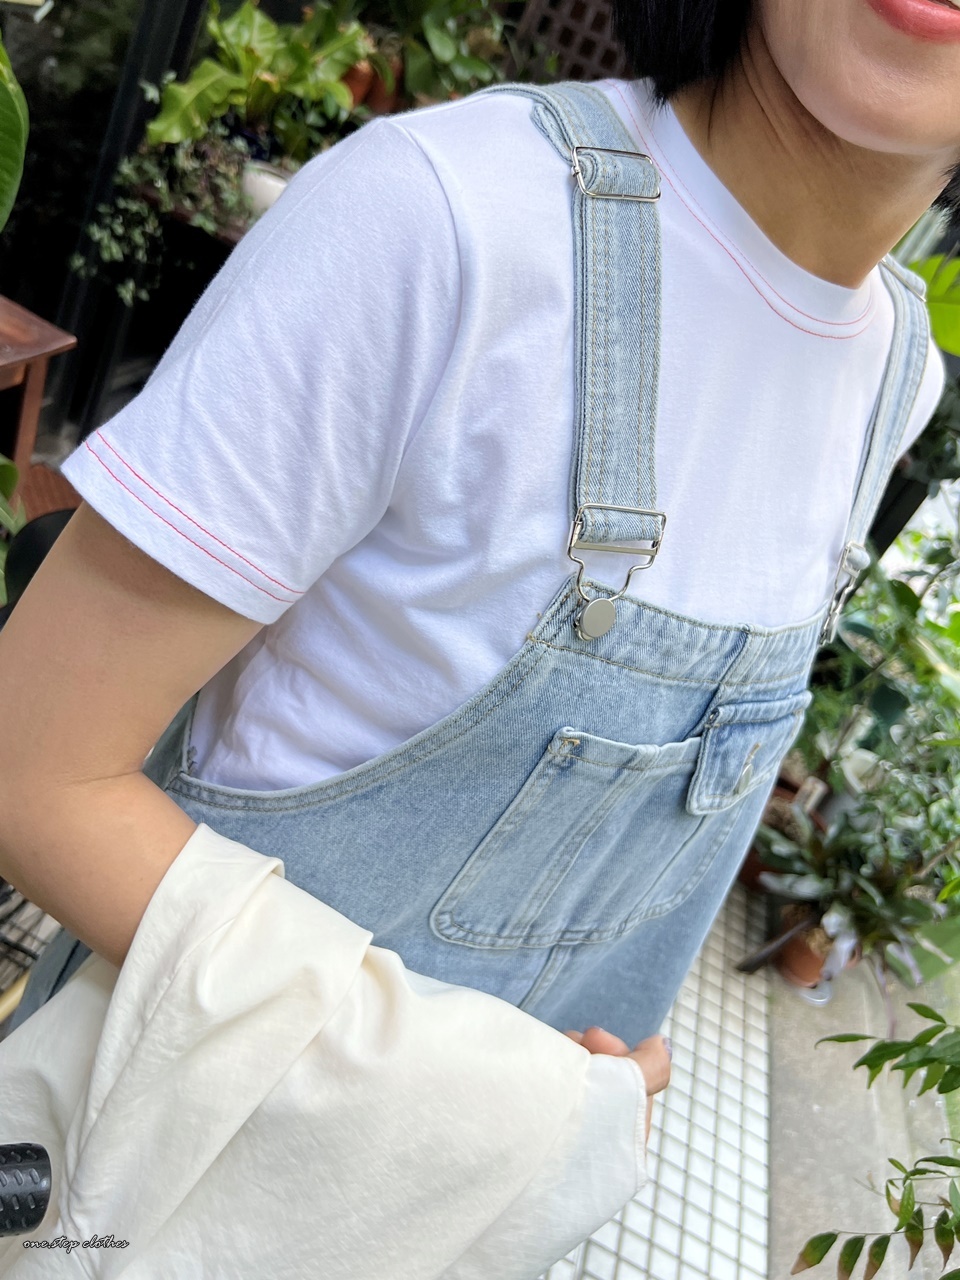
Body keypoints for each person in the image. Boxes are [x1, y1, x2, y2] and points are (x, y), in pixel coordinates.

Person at [0, 0, 955, 1272]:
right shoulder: (446, 221)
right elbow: (32, 770)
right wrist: (516, 1104)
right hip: (153, 1193)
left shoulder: (897, 375)